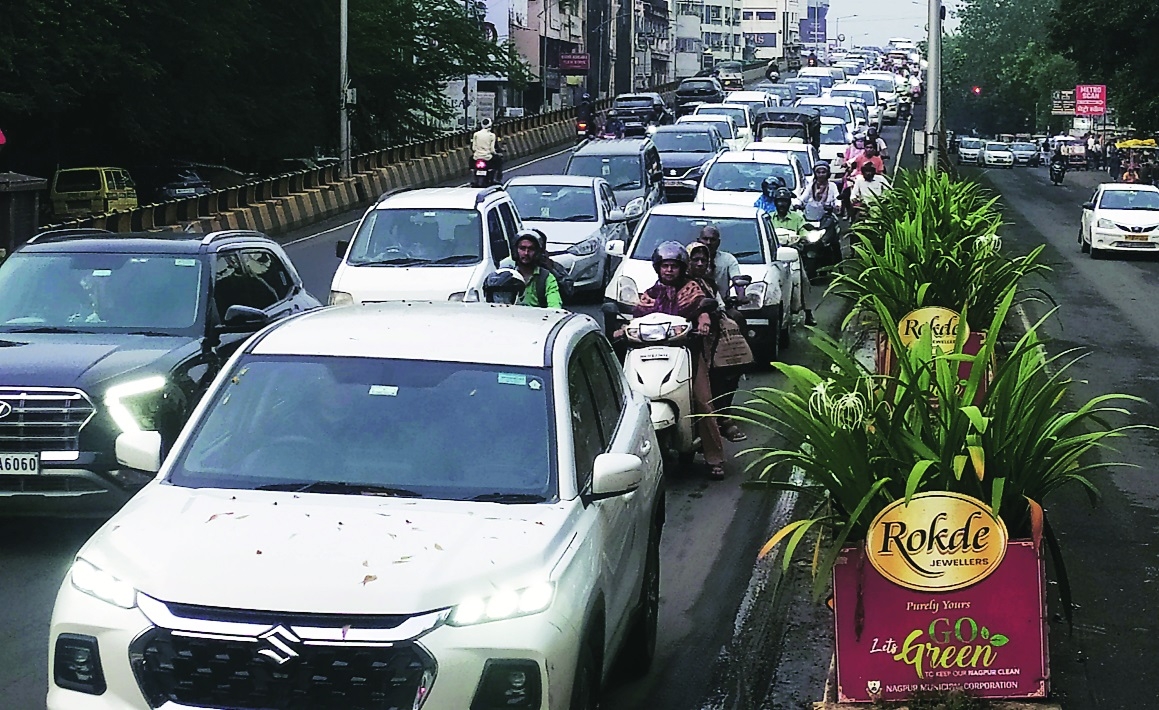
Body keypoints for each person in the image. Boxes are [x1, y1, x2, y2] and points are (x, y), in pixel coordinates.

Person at [633, 241, 727, 479]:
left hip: (688, 354)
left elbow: (702, 308)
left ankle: (715, 459)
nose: (669, 271)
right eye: (665, 266)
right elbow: (637, 317)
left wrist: (704, 321)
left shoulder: (692, 289)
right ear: (658, 268)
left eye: (674, 266)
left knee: (703, 401)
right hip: (653, 357)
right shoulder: (649, 295)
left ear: (681, 268)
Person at [687, 242, 747, 443]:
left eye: (704, 260)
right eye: (695, 259)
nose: (700, 263)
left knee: (730, 371)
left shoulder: (709, 285)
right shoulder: (676, 284)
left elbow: (717, 307)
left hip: (711, 341)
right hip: (685, 343)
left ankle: (723, 416)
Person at [760, 186, 816, 326]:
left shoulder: (797, 218)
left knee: (803, 280)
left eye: (785, 201)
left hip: (793, 254)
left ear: (789, 202)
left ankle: (808, 313)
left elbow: (804, 232)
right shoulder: (768, 217)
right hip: (774, 256)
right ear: (775, 202)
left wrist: (803, 240)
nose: (781, 204)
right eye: (779, 201)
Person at [499, 229, 563, 308]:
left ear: (537, 252)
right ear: (515, 251)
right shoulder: (506, 277)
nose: (526, 253)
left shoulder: (547, 278)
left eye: (531, 249)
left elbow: (555, 307)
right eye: (522, 248)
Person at [696, 225, 741, 297]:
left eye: (712, 240)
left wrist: (741, 295)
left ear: (718, 242)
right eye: (705, 239)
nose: (708, 243)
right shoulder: (689, 258)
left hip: (723, 304)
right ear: (698, 240)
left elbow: (737, 279)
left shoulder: (728, 259)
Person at [471, 117, 503, 181]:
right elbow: (492, 149)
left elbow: (473, 148)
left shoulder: (476, 134)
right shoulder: (492, 135)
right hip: (487, 157)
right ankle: (498, 178)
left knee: (471, 161)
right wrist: (496, 153)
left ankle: (473, 172)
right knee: (499, 160)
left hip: (477, 156)